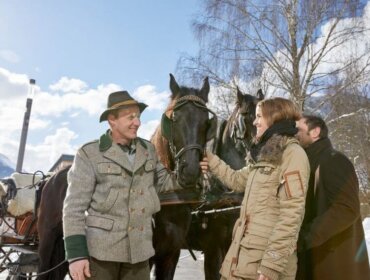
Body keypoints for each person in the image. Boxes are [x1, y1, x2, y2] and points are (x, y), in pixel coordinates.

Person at [63, 91, 180, 280]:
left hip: (139, 254)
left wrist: (194, 173)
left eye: (139, 117)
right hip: (101, 255)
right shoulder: (89, 153)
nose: (138, 123)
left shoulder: (148, 150)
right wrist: (76, 255)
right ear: (112, 120)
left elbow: (165, 182)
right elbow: (73, 209)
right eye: (131, 117)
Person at [200, 97, 310, 280]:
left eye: (259, 116)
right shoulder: (264, 156)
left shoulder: (293, 155)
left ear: (274, 118)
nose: (254, 121)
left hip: (264, 268)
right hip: (244, 258)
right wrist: (210, 159)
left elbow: (292, 215)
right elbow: (235, 180)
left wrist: (271, 266)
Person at [295, 115, 370, 280]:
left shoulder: (334, 160)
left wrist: (304, 238)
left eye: (298, 129)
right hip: (314, 260)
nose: (294, 134)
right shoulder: (308, 164)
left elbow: (347, 209)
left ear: (315, 132)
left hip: (334, 264)